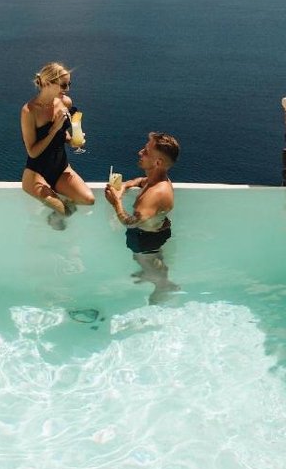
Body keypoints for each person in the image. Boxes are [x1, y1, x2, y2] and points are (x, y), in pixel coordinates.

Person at [105, 132, 180, 301]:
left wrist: (116, 202)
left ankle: (163, 287)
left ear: (158, 162)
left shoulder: (156, 193)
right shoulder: (155, 179)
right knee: (146, 259)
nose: (140, 152)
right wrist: (124, 187)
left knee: (147, 260)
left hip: (146, 239)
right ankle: (151, 272)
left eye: (146, 151)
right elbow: (140, 181)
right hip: (151, 233)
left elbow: (130, 223)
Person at [21, 62, 95, 228]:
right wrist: (53, 130)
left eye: (69, 84)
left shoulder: (65, 102)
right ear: (47, 83)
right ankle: (51, 218)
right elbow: (32, 152)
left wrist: (72, 141)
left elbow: (64, 133)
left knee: (89, 200)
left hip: (61, 167)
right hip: (36, 172)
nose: (67, 89)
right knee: (64, 212)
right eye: (63, 85)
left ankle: (55, 210)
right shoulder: (29, 111)